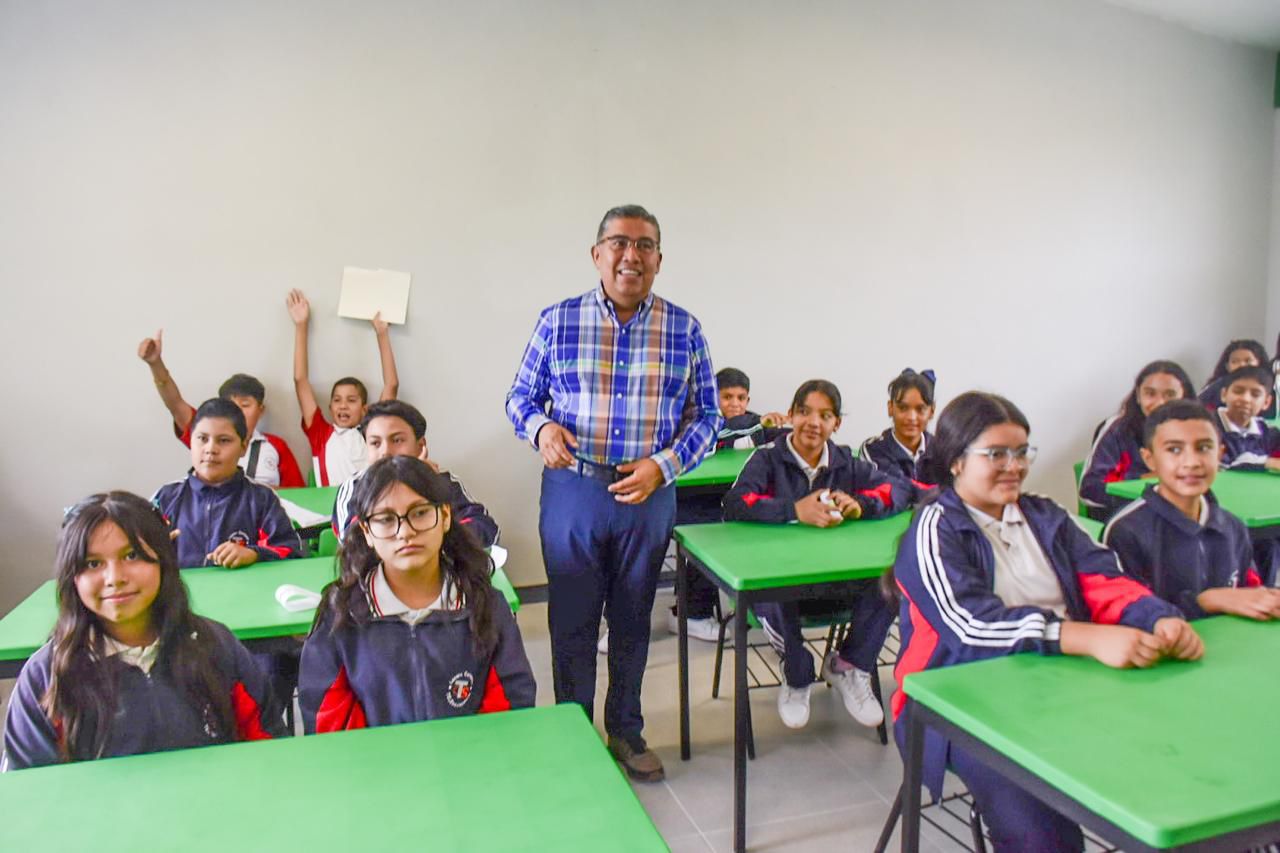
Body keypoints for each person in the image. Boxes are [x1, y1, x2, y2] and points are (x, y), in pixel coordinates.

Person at [892, 391, 1201, 852]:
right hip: (956, 699)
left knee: (1175, 764)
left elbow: (1105, 580)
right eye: (996, 454)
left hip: (1060, 683)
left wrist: (1158, 619)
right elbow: (970, 626)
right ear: (956, 461)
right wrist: (1079, 636)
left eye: (1021, 452)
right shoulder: (934, 528)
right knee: (1041, 835)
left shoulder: (1045, 516)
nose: (1013, 465)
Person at [505, 204, 720, 782]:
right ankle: (573, 733)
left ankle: (626, 730)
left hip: (647, 495)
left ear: (659, 259)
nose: (632, 255)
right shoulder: (558, 321)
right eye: (619, 243)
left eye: (645, 245)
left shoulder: (684, 328)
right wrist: (542, 428)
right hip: (575, 488)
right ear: (597, 253)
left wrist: (665, 465)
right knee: (571, 619)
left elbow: (708, 417)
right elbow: (519, 398)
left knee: (632, 618)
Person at [1, 492, 283, 771]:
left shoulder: (216, 645)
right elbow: (31, 791)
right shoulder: (47, 676)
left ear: (163, 560)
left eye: (132, 555)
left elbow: (270, 747)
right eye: (93, 563)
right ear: (71, 577)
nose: (115, 578)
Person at [298, 456, 534, 732]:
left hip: (473, 763)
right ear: (367, 531)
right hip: (376, 768)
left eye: (420, 512)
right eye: (386, 519)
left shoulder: (484, 604)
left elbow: (512, 704)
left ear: (445, 516)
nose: (405, 532)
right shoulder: (342, 613)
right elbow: (327, 718)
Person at [723, 379, 908, 729]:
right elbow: (736, 504)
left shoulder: (845, 462)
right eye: (805, 412)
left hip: (835, 581)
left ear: (836, 423)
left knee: (893, 579)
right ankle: (797, 674)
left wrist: (862, 505)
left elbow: (897, 488)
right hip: (782, 588)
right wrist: (794, 511)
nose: (813, 422)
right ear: (791, 415)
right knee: (768, 589)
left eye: (825, 415)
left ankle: (849, 665)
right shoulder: (767, 459)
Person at [1104, 400, 1279, 613]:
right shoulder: (1126, 531)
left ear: (1220, 455)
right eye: (1174, 449)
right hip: (1168, 646)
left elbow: (1249, 592)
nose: (1192, 462)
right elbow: (1124, 614)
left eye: (1204, 448)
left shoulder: (1233, 527)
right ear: (1149, 459)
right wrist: (1205, 602)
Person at [665, 366, 787, 643]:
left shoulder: (755, 424)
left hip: (727, 498)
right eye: (727, 397)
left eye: (741, 398)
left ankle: (767, 606)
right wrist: (760, 425)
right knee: (706, 532)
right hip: (691, 500)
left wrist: (796, 426)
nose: (735, 404)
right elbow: (721, 433)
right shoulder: (698, 423)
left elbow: (780, 437)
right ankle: (690, 613)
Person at [137, 329, 304, 488]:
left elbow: (300, 495)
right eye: (230, 405)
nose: (238, 411)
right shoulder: (206, 433)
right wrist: (156, 364)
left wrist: (263, 493)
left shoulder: (275, 446)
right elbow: (175, 404)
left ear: (260, 410)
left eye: (245, 405)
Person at [152, 398, 303, 569]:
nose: (211, 449)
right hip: (181, 594)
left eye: (223, 440)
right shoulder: (165, 498)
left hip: (244, 593)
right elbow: (132, 554)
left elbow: (291, 551)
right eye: (202, 438)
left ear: (243, 447)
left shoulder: (261, 499)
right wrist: (150, 553)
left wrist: (254, 554)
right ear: (191, 441)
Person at [330, 400, 497, 547]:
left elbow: (487, 530)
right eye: (375, 443)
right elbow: (354, 543)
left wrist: (425, 487)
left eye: (397, 440)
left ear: (421, 446)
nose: (385, 452)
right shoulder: (354, 486)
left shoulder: (442, 481)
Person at [286, 288, 401, 486]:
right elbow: (300, 380)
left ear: (365, 409)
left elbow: (391, 384)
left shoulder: (372, 432)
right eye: (337, 400)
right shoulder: (321, 433)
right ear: (330, 408)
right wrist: (301, 326)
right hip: (330, 511)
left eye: (351, 400)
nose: (343, 406)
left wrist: (382, 333)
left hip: (366, 508)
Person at [1078, 360, 1195, 521]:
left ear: (1184, 396)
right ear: (1138, 396)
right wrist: (1141, 481)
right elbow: (1089, 490)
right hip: (1129, 521)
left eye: (1170, 395)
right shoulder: (1117, 431)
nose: (1160, 403)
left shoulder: (1197, 429)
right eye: (1150, 393)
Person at [858, 368, 937, 502]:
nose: (911, 417)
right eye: (903, 408)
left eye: (920, 409)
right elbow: (894, 489)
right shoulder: (873, 449)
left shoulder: (942, 449)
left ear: (932, 411)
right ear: (890, 408)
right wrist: (936, 492)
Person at [1213, 365, 1280, 472]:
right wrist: (1267, 462)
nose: (1245, 399)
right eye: (1238, 391)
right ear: (1224, 394)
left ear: (1266, 402)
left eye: (1255, 394)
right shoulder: (1208, 426)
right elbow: (1223, 464)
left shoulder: (1266, 430)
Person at [1195, 339, 1270, 413]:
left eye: (1248, 361)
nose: (1241, 365)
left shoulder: (1270, 385)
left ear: (1260, 362)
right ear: (1227, 366)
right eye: (1235, 361)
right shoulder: (1218, 385)